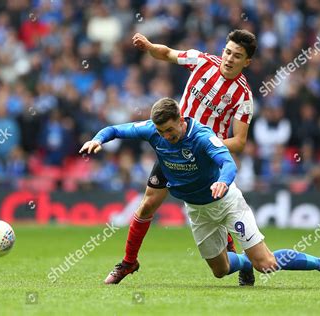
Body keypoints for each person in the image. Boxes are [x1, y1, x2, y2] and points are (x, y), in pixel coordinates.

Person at [80, 98, 320, 289]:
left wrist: (224, 182)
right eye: (161, 132)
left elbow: (228, 162)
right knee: (220, 271)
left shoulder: (202, 136)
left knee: (267, 263)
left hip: (226, 202)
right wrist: (97, 139)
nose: (165, 136)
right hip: (197, 209)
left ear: (180, 119)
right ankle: (245, 264)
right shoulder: (153, 131)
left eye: (169, 130)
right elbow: (115, 129)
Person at [102, 29, 257, 285]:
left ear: (246, 61)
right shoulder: (202, 61)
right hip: (172, 147)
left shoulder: (243, 96)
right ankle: (129, 262)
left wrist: (207, 146)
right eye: (227, 51)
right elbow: (166, 53)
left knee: (218, 211)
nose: (229, 58)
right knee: (148, 204)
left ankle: (242, 259)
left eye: (237, 55)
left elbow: (239, 142)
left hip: (205, 160)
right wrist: (150, 46)